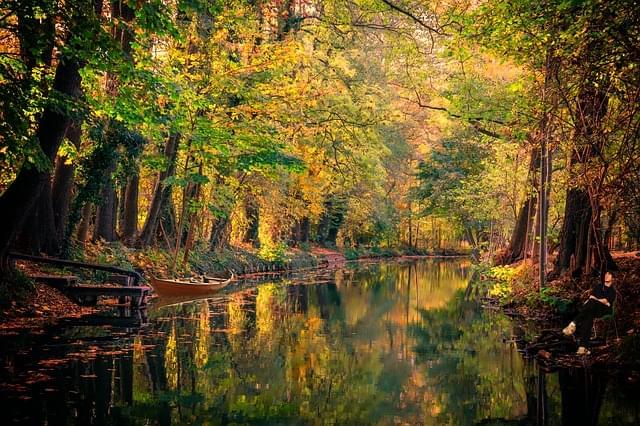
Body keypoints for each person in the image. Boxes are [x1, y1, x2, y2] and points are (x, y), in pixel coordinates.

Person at [562, 271, 616, 355]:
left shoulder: (612, 290)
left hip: (604, 310)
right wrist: (599, 300)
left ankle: (573, 323)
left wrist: (597, 300)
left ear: (612, 277)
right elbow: (592, 297)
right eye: (605, 274)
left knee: (591, 303)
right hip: (593, 309)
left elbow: (606, 301)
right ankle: (583, 347)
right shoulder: (598, 287)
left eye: (609, 274)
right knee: (588, 317)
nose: (606, 276)